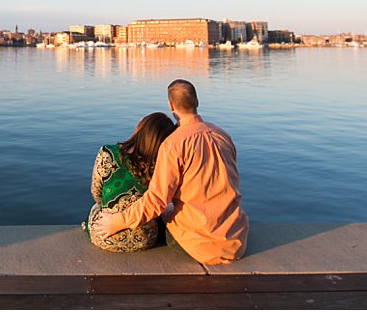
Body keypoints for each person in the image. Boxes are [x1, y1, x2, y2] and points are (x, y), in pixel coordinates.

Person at [94, 79, 249, 264]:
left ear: (171, 105)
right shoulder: (223, 136)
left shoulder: (173, 145)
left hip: (197, 245)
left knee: (160, 215)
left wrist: (118, 222)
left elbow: (156, 201)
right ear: (196, 102)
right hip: (236, 240)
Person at [83, 112, 177, 252]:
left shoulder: (108, 153)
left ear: (140, 128)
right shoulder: (162, 164)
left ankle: (87, 226)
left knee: (95, 207)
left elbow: (96, 193)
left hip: (105, 236)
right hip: (146, 239)